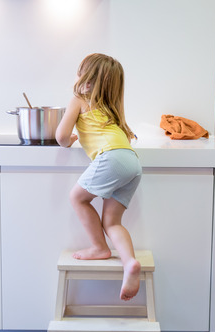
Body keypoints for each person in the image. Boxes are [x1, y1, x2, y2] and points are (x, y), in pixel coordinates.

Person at [55, 53, 142, 301]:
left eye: (79, 71)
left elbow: (61, 137)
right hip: (131, 163)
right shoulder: (111, 110)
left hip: (111, 159)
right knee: (112, 222)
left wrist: (70, 140)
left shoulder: (79, 98)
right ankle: (130, 263)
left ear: (88, 80)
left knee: (77, 198)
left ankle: (99, 247)